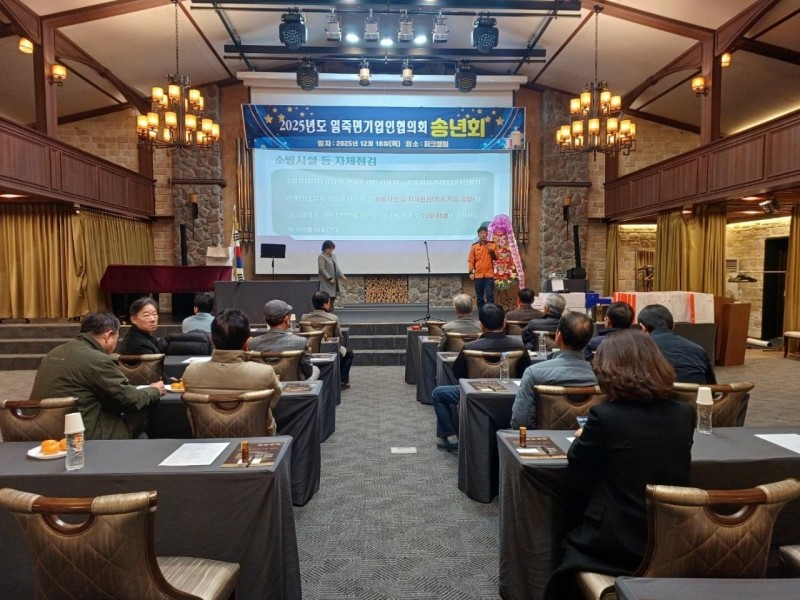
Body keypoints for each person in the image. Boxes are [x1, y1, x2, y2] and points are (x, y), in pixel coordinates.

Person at [544, 329, 695, 600]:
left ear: (608, 371)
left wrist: (583, 434)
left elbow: (578, 462)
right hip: (671, 533)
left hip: (619, 541)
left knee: (565, 514)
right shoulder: (685, 413)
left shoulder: (606, 416)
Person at [29, 312, 164, 440]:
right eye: (116, 338)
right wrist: (154, 390)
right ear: (108, 335)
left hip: (42, 432)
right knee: (144, 411)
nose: (116, 344)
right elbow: (130, 400)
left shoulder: (54, 352)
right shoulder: (98, 359)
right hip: (81, 435)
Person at [432, 303, 531, 454]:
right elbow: (525, 373)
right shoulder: (519, 346)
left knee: (438, 394)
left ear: (481, 325)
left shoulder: (470, 347)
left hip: (474, 395)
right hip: (511, 395)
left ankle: (451, 438)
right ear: (504, 323)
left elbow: (458, 374)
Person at [182, 308, 282, 435]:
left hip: (207, 441)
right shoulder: (264, 373)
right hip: (256, 440)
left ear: (212, 340)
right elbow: (274, 399)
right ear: (247, 342)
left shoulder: (190, 373)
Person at [510, 312, 597, 429]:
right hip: (587, 438)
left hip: (543, 438)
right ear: (588, 340)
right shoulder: (601, 376)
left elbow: (520, 422)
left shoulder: (533, 373)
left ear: (559, 336)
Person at [637, 304, 716, 385]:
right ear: (673, 326)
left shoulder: (638, 349)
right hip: (694, 393)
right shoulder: (699, 350)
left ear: (643, 327)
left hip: (656, 392)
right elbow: (711, 387)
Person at [249, 299, 319, 381]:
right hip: (294, 386)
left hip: (265, 385)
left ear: (265, 319)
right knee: (316, 369)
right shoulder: (301, 342)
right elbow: (308, 373)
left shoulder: (253, 344)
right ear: (286, 318)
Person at [301, 291, 354, 390]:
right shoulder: (333, 318)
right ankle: (342, 381)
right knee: (349, 353)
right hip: (330, 349)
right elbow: (339, 337)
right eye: (329, 302)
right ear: (325, 304)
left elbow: (302, 335)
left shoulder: (304, 317)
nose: (330, 304)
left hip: (310, 350)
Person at [468, 225, 497, 309]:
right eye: (481, 233)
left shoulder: (492, 245)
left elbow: (496, 258)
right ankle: (481, 313)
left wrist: (491, 251)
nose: (483, 235)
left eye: (484, 233)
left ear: (487, 234)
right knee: (480, 297)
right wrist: (471, 272)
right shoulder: (474, 246)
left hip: (489, 275)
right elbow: (471, 260)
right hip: (478, 275)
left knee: (490, 295)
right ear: (478, 235)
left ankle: (490, 312)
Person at [318, 240, 347, 307]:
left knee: (332, 298)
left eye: (332, 249)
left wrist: (342, 276)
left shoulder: (333, 256)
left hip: (334, 282)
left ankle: (331, 310)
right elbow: (321, 269)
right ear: (325, 248)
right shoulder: (321, 256)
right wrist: (329, 278)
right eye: (330, 249)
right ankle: (327, 311)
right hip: (326, 282)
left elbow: (336, 267)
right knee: (327, 298)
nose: (331, 250)